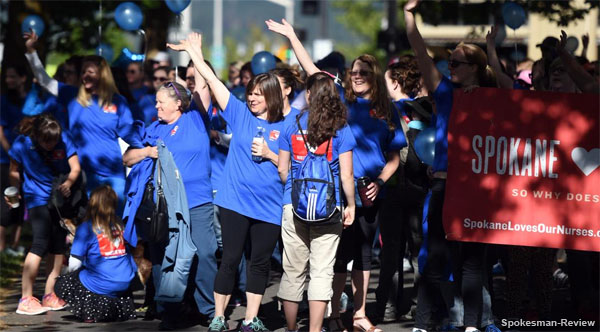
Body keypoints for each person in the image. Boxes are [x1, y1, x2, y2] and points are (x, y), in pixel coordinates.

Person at [267, 18, 405, 332]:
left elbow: (395, 156)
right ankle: (330, 316)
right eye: (352, 72)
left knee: (363, 256)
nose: (356, 77)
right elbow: (313, 73)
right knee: (333, 261)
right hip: (336, 194)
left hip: (369, 189)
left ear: (374, 77)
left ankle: (357, 313)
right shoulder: (340, 103)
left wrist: (380, 182)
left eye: (363, 73)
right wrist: (291, 36)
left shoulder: (387, 110)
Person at [168, 33, 284, 332]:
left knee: (259, 263)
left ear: (272, 95)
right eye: (250, 92)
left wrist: (271, 154)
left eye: (259, 93)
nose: (252, 97)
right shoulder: (239, 113)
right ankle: (219, 317)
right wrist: (195, 52)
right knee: (230, 258)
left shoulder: (288, 124)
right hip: (233, 201)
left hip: (270, 205)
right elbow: (210, 78)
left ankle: (250, 319)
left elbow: (291, 166)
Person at [404, 1, 497, 331]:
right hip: (444, 186)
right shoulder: (444, 93)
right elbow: (420, 51)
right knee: (436, 257)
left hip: (475, 189)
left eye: (457, 62)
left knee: (472, 261)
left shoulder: (492, 98)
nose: (450, 66)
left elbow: (512, 89)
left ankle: (472, 325)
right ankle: (423, 324)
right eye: (450, 61)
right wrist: (410, 15)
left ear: (473, 67)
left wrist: (491, 50)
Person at [122, 80, 217, 329]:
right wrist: (147, 152)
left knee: (205, 253)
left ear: (178, 104)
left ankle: (208, 309)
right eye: (156, 102)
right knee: (163, 258)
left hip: (198, 202)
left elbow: (204, 91)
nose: (156, 106)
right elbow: (127, 157)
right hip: (165, 208)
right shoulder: (155, 129)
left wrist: (195, 53)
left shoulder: (194, 121)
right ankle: (170, 310)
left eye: (160, 102)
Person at [23, 30, 142, 209]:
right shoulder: (72, 95)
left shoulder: (118, 101)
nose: (85, 75)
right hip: (85, 173)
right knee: (92, 225)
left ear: (102, 75)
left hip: (113, 172)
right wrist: (31, 51)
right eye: (83, 72)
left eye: (91, 72)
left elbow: (130, 133)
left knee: (115, 223)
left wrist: (146, 148)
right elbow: (44, 80)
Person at [277, 72, 356, 332]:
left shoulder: (291, 124)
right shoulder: (341, 129)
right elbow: (346, 175)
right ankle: (314, 329)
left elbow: (281, 169)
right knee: (322, 271)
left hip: (294, 204)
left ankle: (291, 329)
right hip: (329, 206)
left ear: (308, 94)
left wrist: (295, 188)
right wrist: (351, 205)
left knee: (293, 270)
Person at [7, 113, 81, 315]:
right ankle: (26, 298)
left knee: (58, 245)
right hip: (36, 198)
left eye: (54, 141)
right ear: (37, 136)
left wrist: (68, 183)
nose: (51, 145)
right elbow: (14, 170)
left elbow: (75, 167)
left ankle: (50, 294)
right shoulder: (22, 144)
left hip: (59, 199)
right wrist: (15, 191)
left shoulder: (64, 138)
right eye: (46, 141)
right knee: (40, 242)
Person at [376, 56, 427, 322]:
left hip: (392, 188)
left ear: (395, 83)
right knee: (419, 250)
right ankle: (421, 304)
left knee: (391, 251)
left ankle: (388, 306)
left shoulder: (385, 112)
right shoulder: (424, 108)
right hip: (420, 188)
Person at [54, 185, 137, 322]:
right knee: (105, 276)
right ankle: (114, 310)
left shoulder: (86, 227)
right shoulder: (119, 224)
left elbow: (75, 263)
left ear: (91, 203)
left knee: (64, 282)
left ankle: (90, 312)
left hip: (102, 282)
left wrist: (73, 276)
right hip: (125, 280)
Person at [0, 64, 29, 254]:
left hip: (27, 160)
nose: (9, 80)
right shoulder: (3, 101)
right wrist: (11, 153)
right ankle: (1, 248)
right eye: (7, 77)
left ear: (23, 78)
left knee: (21, 202)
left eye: (13, 76)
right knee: (5, 200)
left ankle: (14, 245)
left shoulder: (30, 101)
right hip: (5, 159)